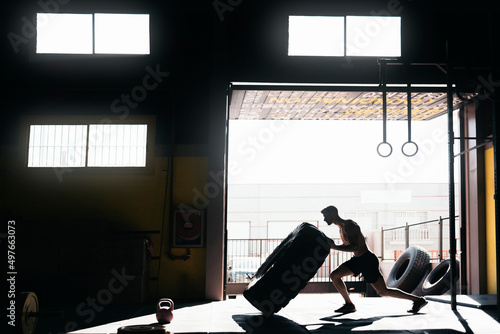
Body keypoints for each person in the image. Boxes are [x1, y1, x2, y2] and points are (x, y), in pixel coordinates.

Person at [321, 205, 428, 314]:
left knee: (383, 291)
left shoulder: (349, 225)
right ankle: (349, 304)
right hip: (358, 259)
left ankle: (418, 300)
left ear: (332, 214)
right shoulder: (341, 228)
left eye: (325, 216)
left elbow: (355, 247)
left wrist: (334, 247)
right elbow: (347, 244)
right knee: (335, 275)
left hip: (367, 260)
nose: (324, 219)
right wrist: (334, 245)